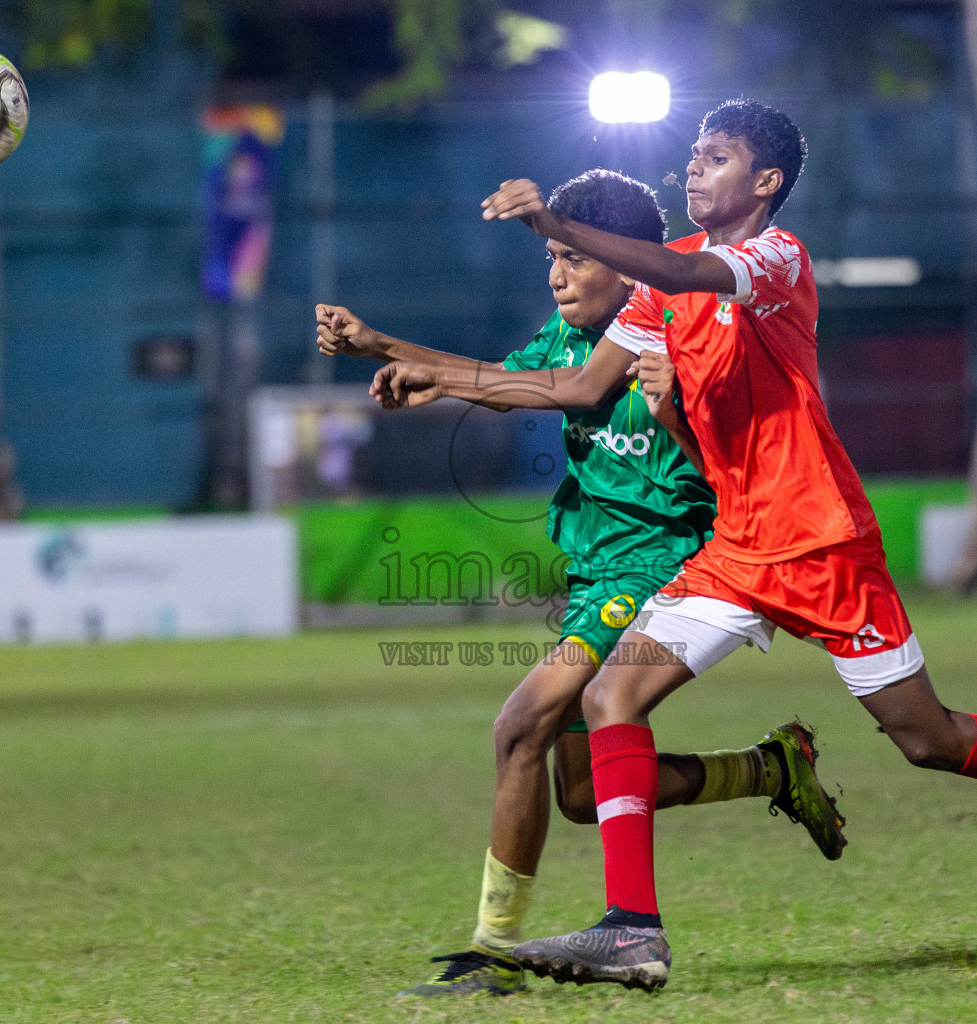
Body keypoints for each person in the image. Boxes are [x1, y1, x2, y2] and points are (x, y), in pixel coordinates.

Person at [375, 99, 977, 994]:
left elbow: (689, 283)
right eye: (690, 155)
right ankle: (633, 929)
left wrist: (556, 222)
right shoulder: (658, 285)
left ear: (764, 183)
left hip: (820, 541)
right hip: (736, 547)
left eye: (715, 158)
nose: (693, 170)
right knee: (613, 697)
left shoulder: (773, 259)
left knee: (928, 738)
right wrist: (432, 372)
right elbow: (575, 386)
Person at [318, 168, 847, 998]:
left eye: (573, 255)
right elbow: (506, 382)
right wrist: (381, 346)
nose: (557, 273)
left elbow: (565, 395)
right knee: (580, 792)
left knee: (521, 725)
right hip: (595, 570)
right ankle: (770, 770)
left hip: (661, 566)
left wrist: (427, 373)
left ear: (625, 263)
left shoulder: (668, 336)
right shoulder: (566, 338)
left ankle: (493, 957)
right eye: (552, 257)